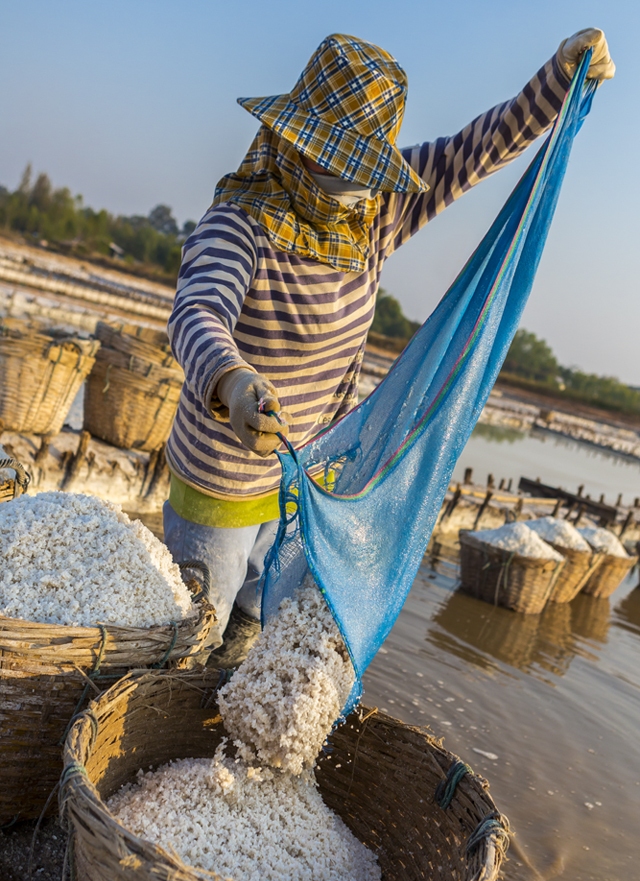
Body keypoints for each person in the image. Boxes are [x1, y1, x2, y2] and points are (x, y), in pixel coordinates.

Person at [163, 28, 614, 664]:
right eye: (330, 157)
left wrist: (559, 80)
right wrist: (233, 382)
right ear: (294, 139)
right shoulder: (241, 222)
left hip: (300, 480)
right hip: (222, 479)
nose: (345, 180)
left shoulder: (373, 214)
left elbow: (474, 150)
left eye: (357, 166)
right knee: (189, 637)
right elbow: (197, 311)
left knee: (248, 635)